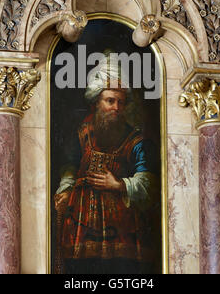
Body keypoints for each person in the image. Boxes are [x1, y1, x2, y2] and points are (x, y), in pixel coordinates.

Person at [54, 53, 159, 274]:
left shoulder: (135, 140)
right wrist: (65, 190)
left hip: (124, 228)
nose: (116, 108)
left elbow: (149, 182)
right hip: (81, 222)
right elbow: (70, 166)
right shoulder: (81, 133)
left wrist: (119, 185)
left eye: (121, 102)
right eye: (110, 101)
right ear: (97, 102)